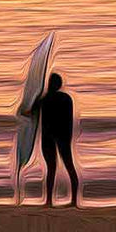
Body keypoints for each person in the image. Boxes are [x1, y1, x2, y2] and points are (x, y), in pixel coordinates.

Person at [21, 72, 80, 206]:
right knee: (69, 166)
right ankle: (74, 201)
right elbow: (69, 120)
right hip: (63, 137)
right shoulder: (66, 98)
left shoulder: (43, 99)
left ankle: (48, 201)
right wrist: (68, 138)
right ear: (59, 85)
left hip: (48, 137)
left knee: (51, 168)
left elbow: (28, 113)